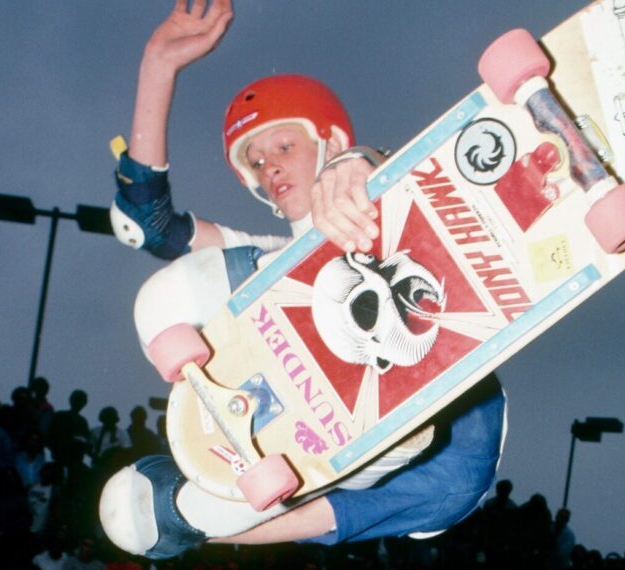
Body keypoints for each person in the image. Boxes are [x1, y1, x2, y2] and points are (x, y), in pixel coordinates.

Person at [99, 0, 506, 560]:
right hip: (381, 468)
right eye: (257, 163)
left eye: (284, 147)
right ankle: (204, 506)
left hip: (458, 426)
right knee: (139, 515)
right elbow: (147, 225)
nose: (271, 169)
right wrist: (157, 66)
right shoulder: (270, 256)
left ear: (330, 143)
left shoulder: (374, 182)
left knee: (449, 483)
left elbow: (415, 184)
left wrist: (362, 162)